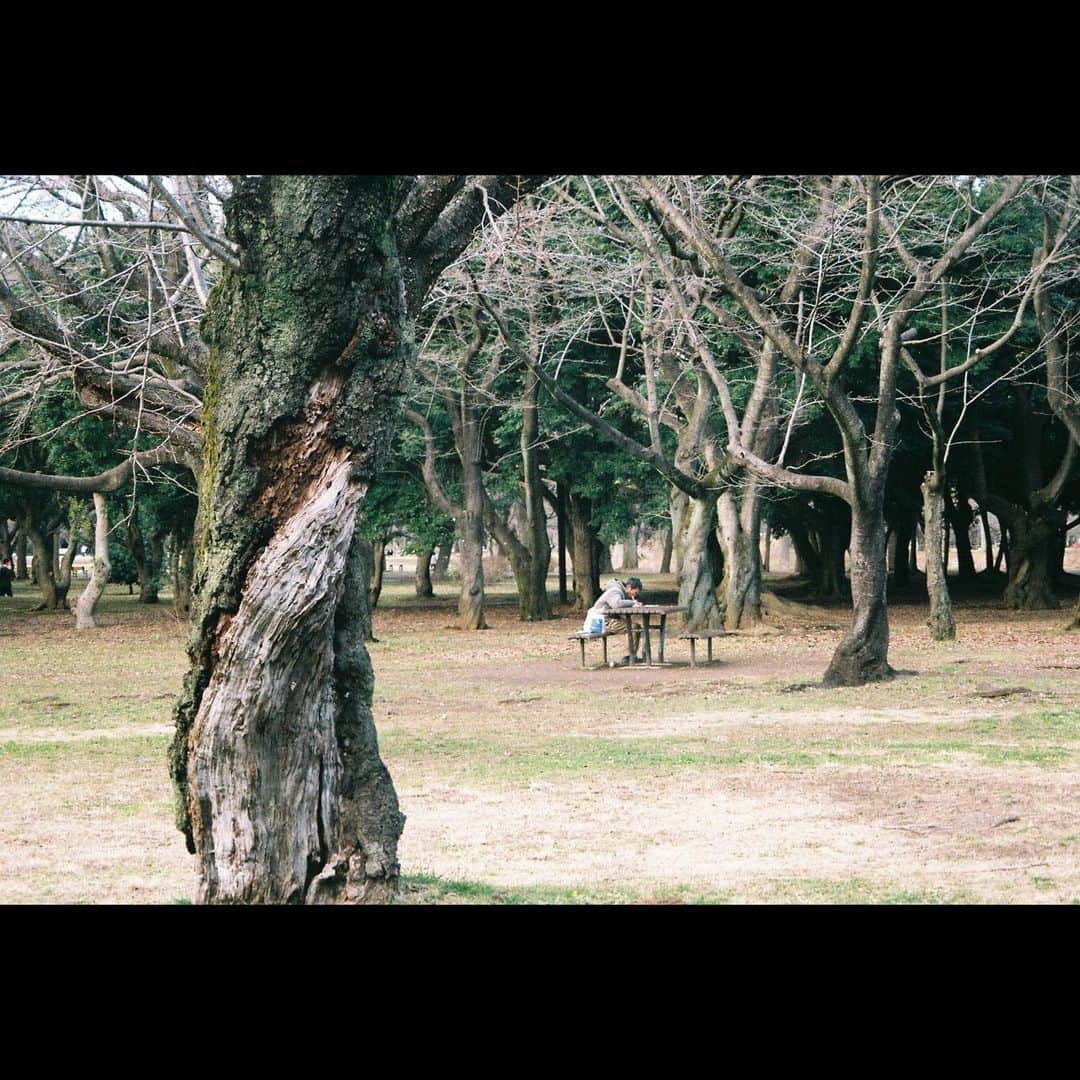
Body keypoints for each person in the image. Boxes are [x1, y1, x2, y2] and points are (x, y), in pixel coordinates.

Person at [584, 576, 643, 666]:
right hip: (601, 622)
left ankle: (632, 655)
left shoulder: (619, 591)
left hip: (608, 620)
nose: (634, 596)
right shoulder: (615, 591)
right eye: (634, 593)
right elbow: (616, 604)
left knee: (635, 626)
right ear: (629, 588)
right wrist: (633, 603)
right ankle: (630, 656)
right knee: (634, 627)